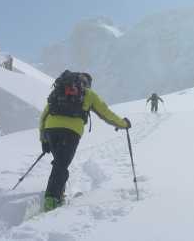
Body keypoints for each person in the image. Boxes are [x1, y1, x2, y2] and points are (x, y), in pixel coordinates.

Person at [39, 70, 131, 211]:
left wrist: (44, 140)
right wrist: (123, 124)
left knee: (60, 163)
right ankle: (51, 200)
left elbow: (44, 115)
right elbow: (106, 113)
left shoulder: (59, 91)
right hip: (70, 132)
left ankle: (58, 194)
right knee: (61, 165)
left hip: (51, 130)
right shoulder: (88, 94)